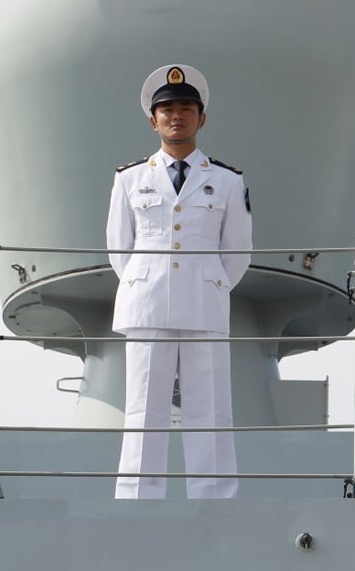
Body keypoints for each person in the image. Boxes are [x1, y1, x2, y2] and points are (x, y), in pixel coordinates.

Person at [107, 63, 252, 499]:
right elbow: (119, 248)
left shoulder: (227, 180)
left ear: (201, 118)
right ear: (153, 120)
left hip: (205, 303)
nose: (177, 116)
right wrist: (149, 282)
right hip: (147, 302)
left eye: (186, 108)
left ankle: (214, 500)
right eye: (167, 109)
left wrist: (208, 284)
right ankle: (137, 499)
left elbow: (238, 252)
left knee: (209, 409)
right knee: (142, 409)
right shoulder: (129, 179)